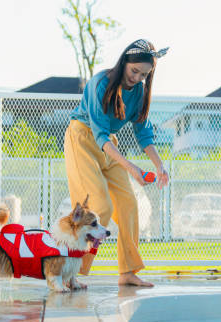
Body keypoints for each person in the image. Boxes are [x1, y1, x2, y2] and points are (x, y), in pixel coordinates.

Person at [64, 39, 169, 287]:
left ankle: (128, 272)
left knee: (129, 205)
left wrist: (159, 165)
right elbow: (99, 135)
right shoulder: (100, 84)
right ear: (124, 63)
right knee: (98, 207)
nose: (137, 78)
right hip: (83, 139)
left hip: (109, 144)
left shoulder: (139, 92)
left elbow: (143, 132)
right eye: (134, 71)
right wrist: (132, 168)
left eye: (144, 75)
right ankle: (71, 272)